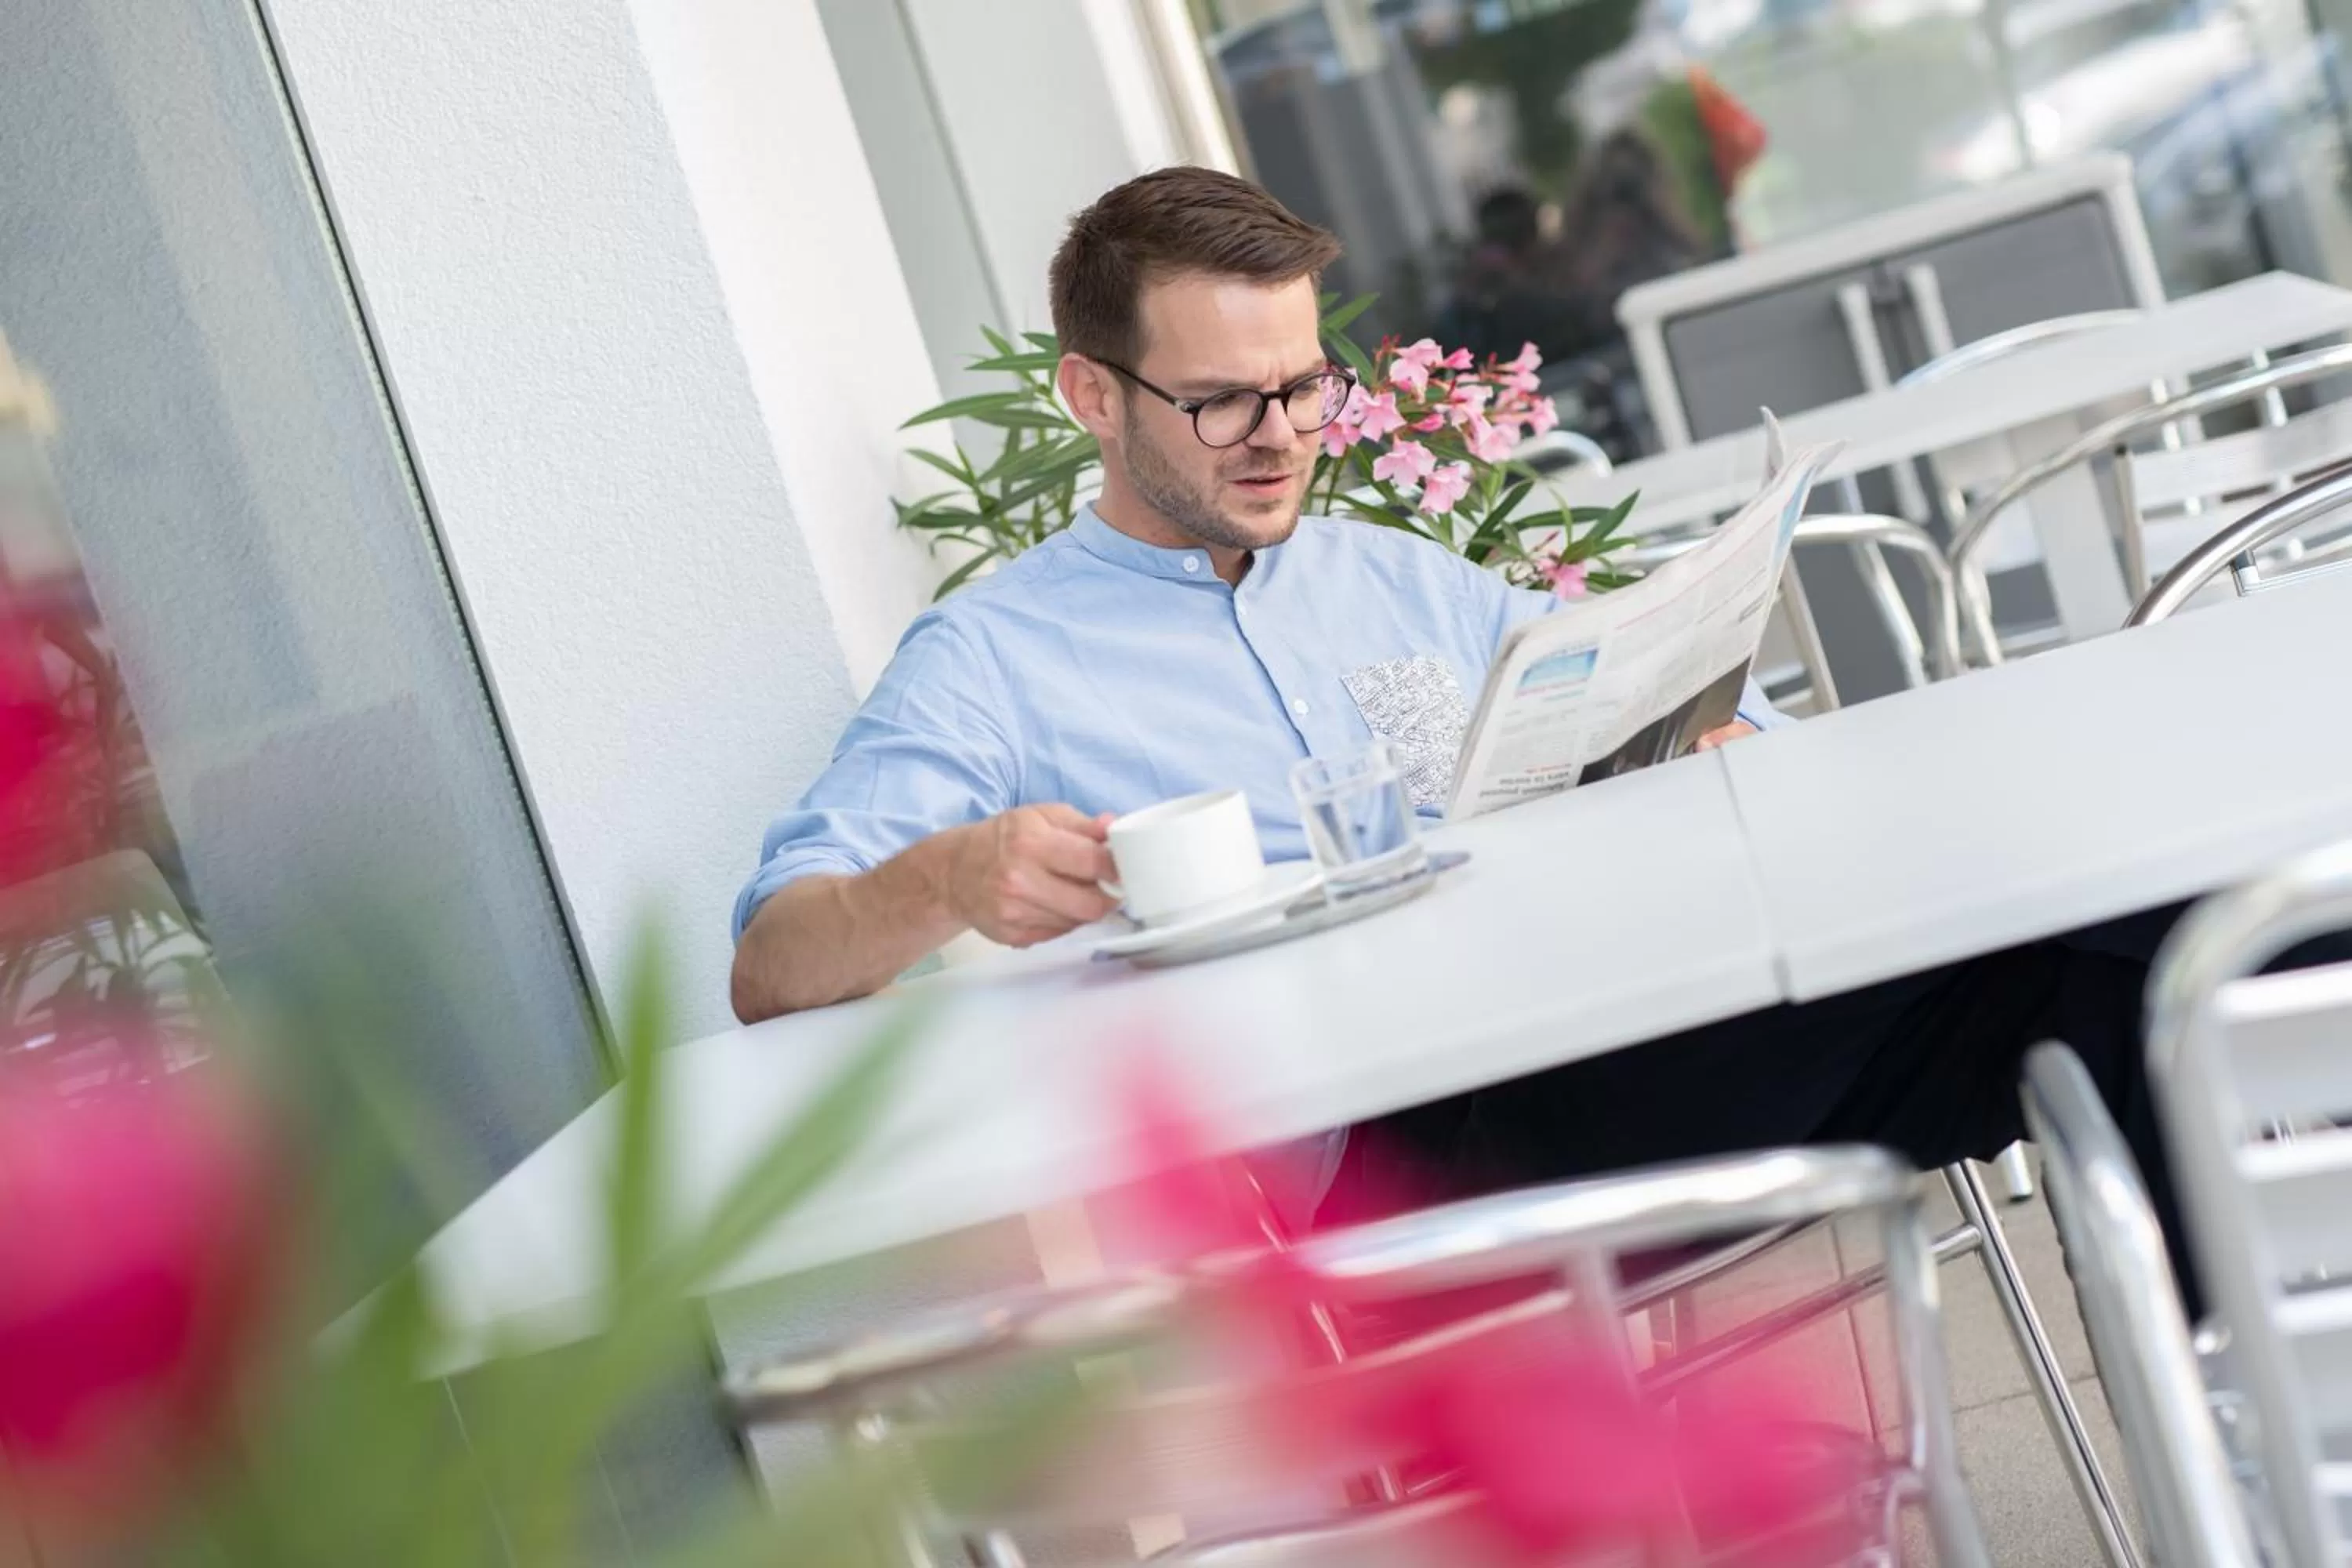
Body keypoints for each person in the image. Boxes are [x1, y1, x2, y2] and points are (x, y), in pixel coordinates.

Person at [731, 167, 2195, 1298]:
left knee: (2117, 944)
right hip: (1400, 1176)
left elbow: (1683, 709)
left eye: (1304, 387)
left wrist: (1713, 737)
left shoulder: (1393, 574)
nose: (1281, 435)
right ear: (1092, 399)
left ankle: (2236, 1397)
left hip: (1615, 1038)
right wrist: (943, 879)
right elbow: (773, 964)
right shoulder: (996, 658)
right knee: (2093, 951)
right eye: (1222, 402)